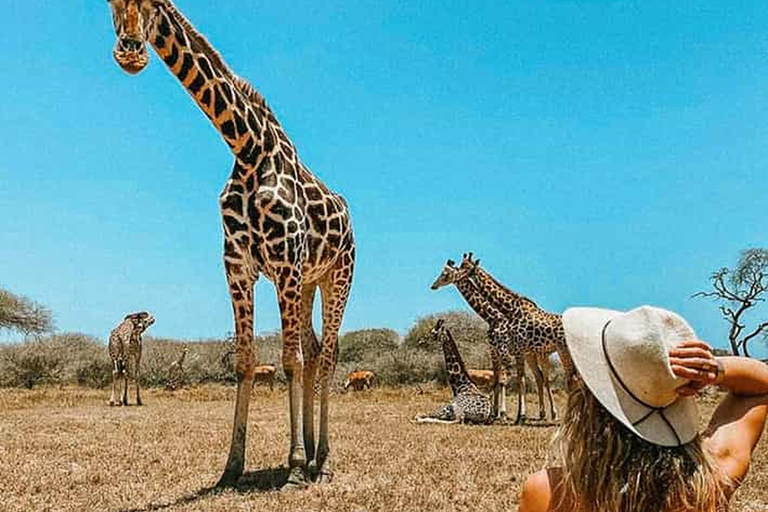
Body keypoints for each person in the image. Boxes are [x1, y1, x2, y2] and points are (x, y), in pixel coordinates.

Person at [518, 305, 768, 512]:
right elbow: (762, 386)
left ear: (588, 402)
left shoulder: (550, 493)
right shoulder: (709, 482)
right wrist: (712, 368)